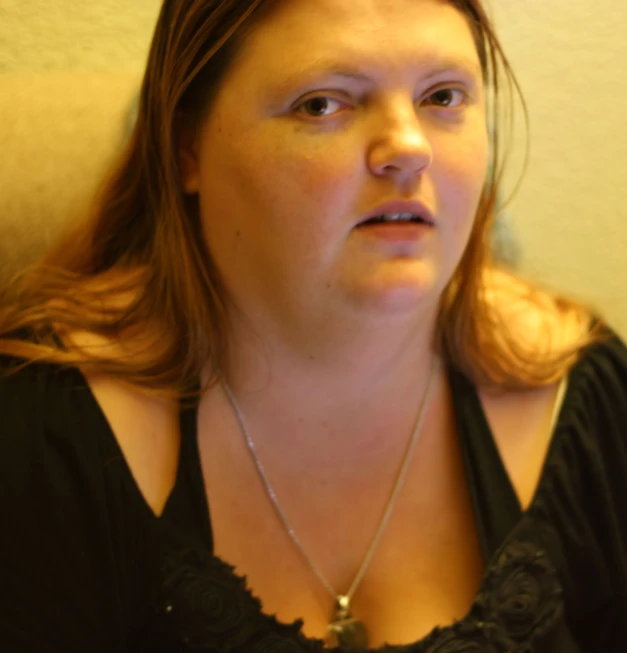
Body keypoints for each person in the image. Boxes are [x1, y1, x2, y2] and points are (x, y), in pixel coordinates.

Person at [1, 0, 625, 651]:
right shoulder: (48, 436)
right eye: (322, 104)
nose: (409, 148)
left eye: (442, 96)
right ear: (187, 147)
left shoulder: (582, 397)